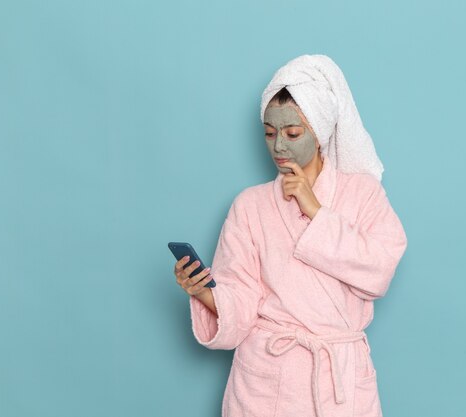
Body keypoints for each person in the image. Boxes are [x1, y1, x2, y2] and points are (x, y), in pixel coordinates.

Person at [174, 54, 408, 417]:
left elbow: (379, 273)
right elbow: (241, 299)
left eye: (292, 133)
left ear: (320, 132)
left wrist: (316, 211)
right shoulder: (249, 206)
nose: (279, 146)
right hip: (267, 381)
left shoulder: (363, 194)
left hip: (338, 379)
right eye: (269, 133)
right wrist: (203, 291)